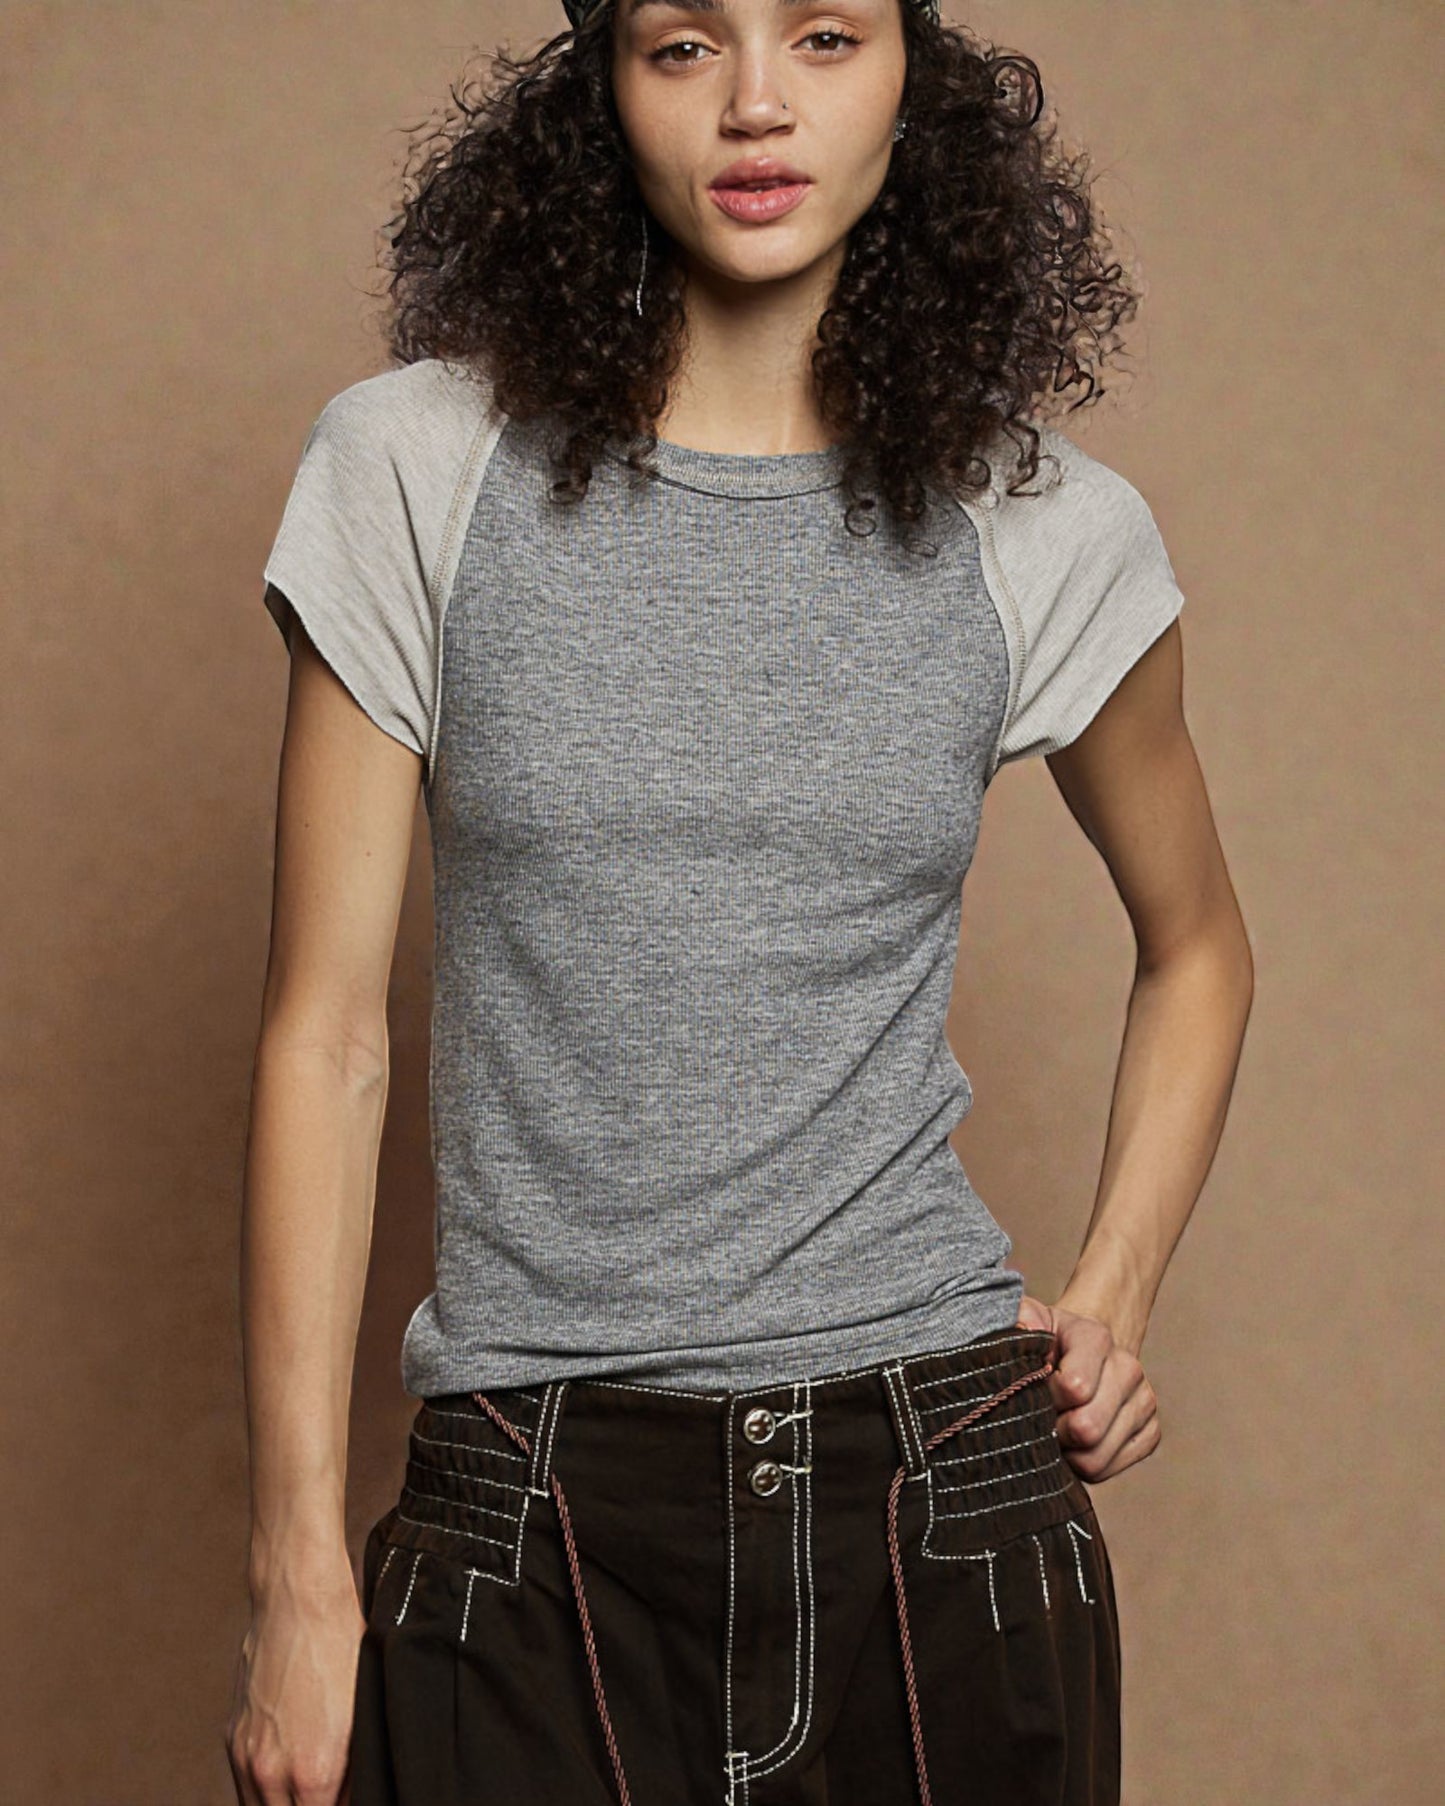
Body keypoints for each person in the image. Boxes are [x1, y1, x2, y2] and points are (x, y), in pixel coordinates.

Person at [227, 0, 1253, 1801]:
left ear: (912, 83)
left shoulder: (1035, 525)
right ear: (600, 89)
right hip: (528, 1510)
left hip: (942, 1504)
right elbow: (325, 1038)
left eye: (828, 35)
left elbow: (1199, 952)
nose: (757, 101)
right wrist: (297, 1574)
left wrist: (1115, 1287)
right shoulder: (415, 469)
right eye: (684, 43)